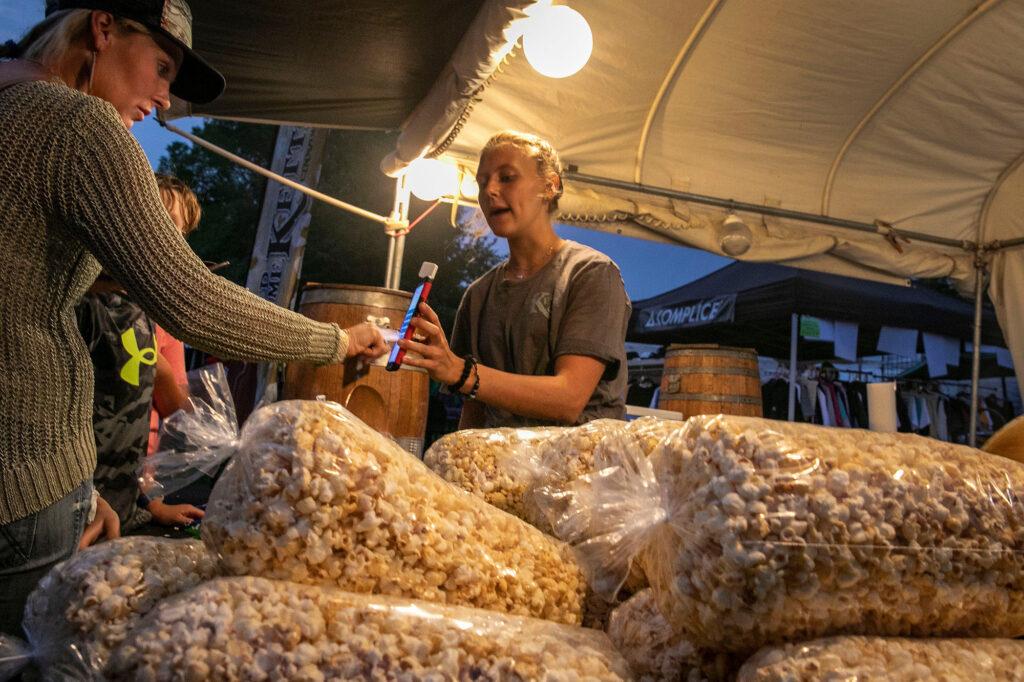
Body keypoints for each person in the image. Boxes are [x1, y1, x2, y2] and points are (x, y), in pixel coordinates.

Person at [0, 0, 386, 637]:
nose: (163, 98)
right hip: (20, 487)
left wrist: (77, 483)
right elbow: (192, 301)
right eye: (160, 67)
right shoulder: (77, 124)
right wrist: (334, 339)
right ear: (101, 27)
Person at [398, 131, 631, 428]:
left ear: (550, 186)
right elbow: (475, 412)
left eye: (507, 178)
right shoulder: (478, 295)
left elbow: (569, 400)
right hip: (500, 471)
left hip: (579, 469)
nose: (490, 190)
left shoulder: (591, 274)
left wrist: (460, 372)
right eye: (482, 182)